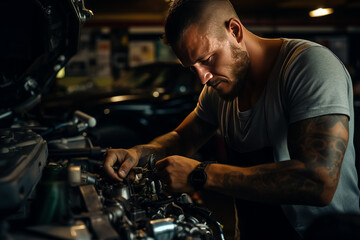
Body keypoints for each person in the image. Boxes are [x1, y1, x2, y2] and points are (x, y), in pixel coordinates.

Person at [104, 0, 360, 239]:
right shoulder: (218, 89)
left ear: (234, 31)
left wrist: (199, 174)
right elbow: (182, 138)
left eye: (207, 59)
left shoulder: (308, 66)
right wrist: (137, 153)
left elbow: (318, 181)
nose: (203, 77)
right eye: (192, 67)